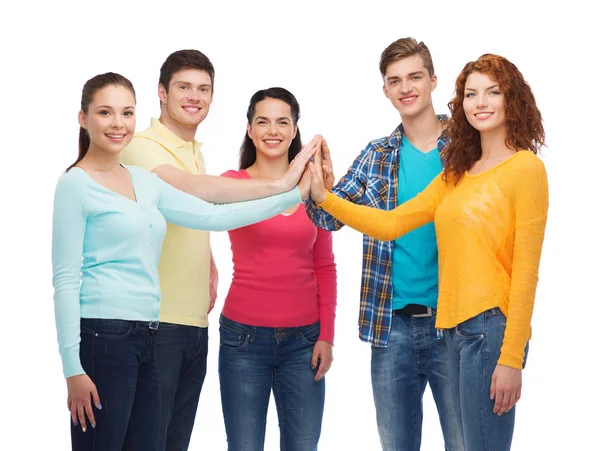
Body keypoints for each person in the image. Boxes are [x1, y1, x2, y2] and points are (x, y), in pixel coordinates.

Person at [52, 72, 316, 451]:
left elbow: (214, 216)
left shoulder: (143, 181)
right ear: (84, 119)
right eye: (105, 113)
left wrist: (294, 193)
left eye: (127, 113)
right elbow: (64, 279)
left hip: (148, 333)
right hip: (102, 335)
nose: (117, 123)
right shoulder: (75, 184)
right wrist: (72, 367)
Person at [308, 53, 548, 451]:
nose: (481, 102)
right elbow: (391, 223)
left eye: (493, 92)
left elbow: (526, 273)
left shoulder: (525, 169)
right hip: (451, 333)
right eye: (471, 94)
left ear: (513, 99)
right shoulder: (457, 170)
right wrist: (322, 196)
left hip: (489, 329)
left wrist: (512, 357)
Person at [305, 37, 463, 450]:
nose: (406, 87)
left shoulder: (468, 149)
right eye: (395, 80)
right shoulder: (377, 155)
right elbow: (325, 217)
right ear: (386, 90)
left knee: (466, 443)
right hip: (391, 327)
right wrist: (323, 183)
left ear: (432, 81)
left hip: (456, 324)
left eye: (414, 77)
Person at [218, 87, 337, 451]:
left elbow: (325, 266)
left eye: (282, 121)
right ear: (250, 130)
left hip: (304, 343)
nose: (273, 130)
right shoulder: (232, 184)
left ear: (295, 128)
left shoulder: (312, 188)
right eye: (263, 121)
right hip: (242, 341)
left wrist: (327, 336)